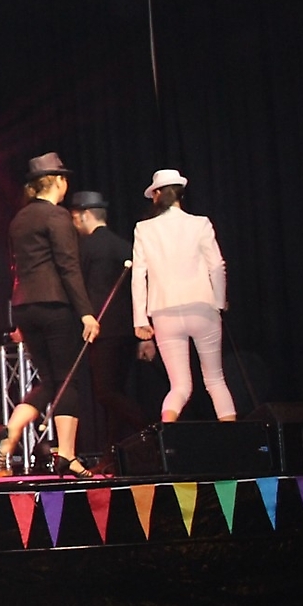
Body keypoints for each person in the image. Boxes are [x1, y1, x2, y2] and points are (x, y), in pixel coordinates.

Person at [0, 153, 100, 479]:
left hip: (25, 305)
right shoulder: (57, 216)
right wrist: (86, 313)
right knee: (67, 378)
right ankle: (66, 454)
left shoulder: (19, 219)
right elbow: (68, 266)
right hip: (54, 304)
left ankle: (10, 433)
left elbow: (16, 268)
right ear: (58, 182)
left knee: (51, 380)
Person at [131, 169, 237, 422]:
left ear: (157, 194)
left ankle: (167, 436)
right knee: (215, 380)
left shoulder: (144, 229)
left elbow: (138, 275)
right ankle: (235, 439)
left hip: (164, 313)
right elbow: (216, 266)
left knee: (179, 386)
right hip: (202, 307)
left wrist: (140, 319)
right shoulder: (200, 223)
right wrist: (219, 301)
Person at [68, 190, 145, 448]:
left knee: (106, 393)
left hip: (102, 328)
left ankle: (150, 429)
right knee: (116, 391)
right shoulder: (124, 245)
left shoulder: (86, 247)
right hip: (127, 329)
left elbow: (78, 287)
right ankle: (114, 453)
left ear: (85, 215)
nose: (75, 225)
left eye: (75, 218)